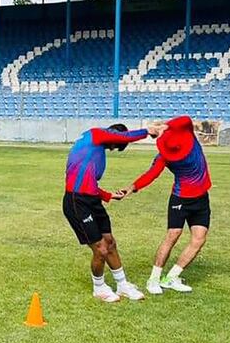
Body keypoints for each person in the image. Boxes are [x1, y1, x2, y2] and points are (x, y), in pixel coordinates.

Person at [63, 123, 165, 302]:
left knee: (110, 242)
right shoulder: (95, 134)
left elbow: (90, 183)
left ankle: (122, 284)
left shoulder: (95, 147)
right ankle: (99, 287)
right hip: (77, 202)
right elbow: (121, 137)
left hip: (92, 199)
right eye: (114, 145)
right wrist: (147, 132)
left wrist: (108, 196)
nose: (112, 148)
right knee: (100, 248)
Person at [122, 115, 211, 294]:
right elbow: (151, 174)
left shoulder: (188, 136)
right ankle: (153, 279)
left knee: (199, 239)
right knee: (173, 235)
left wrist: (164, 126)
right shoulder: (164, 156)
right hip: (180, 199)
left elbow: (185, 119)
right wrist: (133, 187)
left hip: (201, 198)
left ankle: (171, 277)